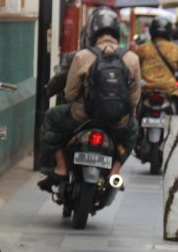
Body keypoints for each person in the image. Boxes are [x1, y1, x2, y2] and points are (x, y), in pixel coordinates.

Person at [38, 7, 141, 190]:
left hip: (83, 116)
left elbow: (70, 93)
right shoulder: (132, 58)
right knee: (132, 133)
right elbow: (134, 97)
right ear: (117, 31)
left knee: (51, 118)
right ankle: (115, 172)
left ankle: (61, 167)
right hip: (117, 121)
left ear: (91, 31)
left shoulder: (83, 56)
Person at [135, 17, 178, 115]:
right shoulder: (175, 49)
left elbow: (134, 66)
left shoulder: (143, 49)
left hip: (147, 88)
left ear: (152, 31)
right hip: (169, 89)